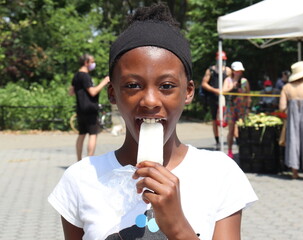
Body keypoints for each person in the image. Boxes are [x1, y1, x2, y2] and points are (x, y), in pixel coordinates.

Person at [48, 3, 258, 240]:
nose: (149, 101)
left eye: (166, 86)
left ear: (188, 92)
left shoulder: (220, 173)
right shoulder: (81, 179)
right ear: (112, 94)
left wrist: (178, 227)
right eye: (132, 85)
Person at [69, 54, 110, 161]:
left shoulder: (76, 76)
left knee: (81, 134)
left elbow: (71, 92)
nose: (93, 64)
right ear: (86, 62)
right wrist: (104, 82)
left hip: (80, 109)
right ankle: (89, 161)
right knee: (93, 134)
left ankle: (79, 160)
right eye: (92, 61)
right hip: (90, 109)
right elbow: (93, 92)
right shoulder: (85, 76)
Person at [201, 51, 231, 149]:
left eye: (223, 60)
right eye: (220, 60)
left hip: (225, 98)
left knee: (228, 118)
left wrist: (224, 91)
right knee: (215, 119)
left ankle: (232, 138)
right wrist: (215, 90)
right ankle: (217, 140)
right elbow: (204, 83)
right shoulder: (211, 70)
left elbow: (231, 83)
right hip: (213, 98)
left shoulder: (228, 70)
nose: (221, 61)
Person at [223, 61, 251, 159]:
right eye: (237, 71)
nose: (239, 73)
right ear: (233, 71)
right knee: (231, 130)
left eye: (240, 71)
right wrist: (232, 87)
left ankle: (243, 149)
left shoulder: (244, 81)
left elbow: (248, 95)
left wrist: (248, 108)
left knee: (242, 129)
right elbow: (223, 91)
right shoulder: (228, 80)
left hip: (242, 108)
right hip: (231, 107)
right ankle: (230, 150)